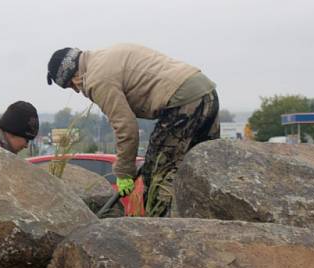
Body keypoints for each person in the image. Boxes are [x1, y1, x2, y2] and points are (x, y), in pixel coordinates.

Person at [46, 44, 219, 216]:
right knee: (205, 170)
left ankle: (159, 233)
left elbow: (126, 127)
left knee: (157, 174)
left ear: (74, 73)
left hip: (184, 102)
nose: (76, 90)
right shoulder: (104, 57)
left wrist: (123, 173)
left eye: (71, 85)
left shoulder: (97, 79)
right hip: (206, 91)